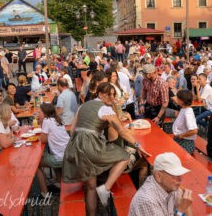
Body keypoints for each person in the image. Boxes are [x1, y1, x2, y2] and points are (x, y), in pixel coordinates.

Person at [64, 82, 150, 214]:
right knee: (125, 156)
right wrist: (138, 145)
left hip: (76, 146)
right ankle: (106, 188)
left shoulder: (83, 106)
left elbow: (72, 130)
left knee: (91, 187)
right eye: (108, 95)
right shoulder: (105, 109)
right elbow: (121, 131)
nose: (111, 97)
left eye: (113, 95)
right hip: (91, 146)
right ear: (99, 94)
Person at [36, 103, 70, 198]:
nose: (38, 114)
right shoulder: (56, 120)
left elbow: (43, 139)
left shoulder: (47, 121)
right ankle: (58, 183)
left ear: (45, 113)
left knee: (37, 164)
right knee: (51, 153)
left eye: (40, 112)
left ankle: (44, 193)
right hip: (67, 154)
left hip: (61, 158)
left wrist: (41, 125)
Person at [172, 90, 198, 154]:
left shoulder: (188, 113)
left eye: (177, 98)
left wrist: (181, 135)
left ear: (182, 100)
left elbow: (194, 130)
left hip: (185, 143)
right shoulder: (184, 109)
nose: (176, 99)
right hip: (180, 139)